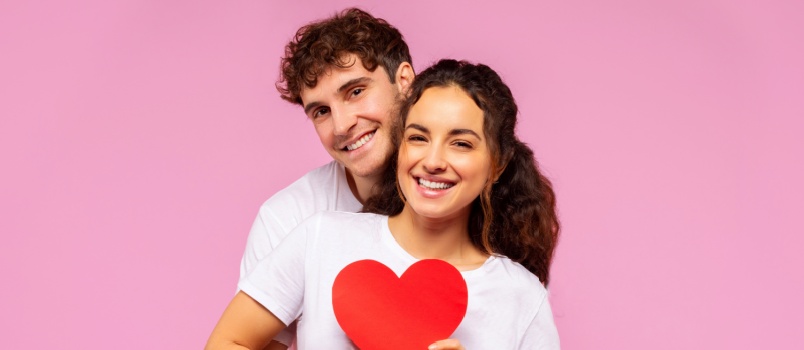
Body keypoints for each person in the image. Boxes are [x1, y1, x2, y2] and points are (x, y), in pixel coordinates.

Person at [206, 59, 561, 349]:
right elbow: (228, 341)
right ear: (400, 145)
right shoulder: (322, 238)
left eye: (461, 144)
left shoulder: (522, 298)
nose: (433, 160)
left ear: (496, 164)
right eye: (418, 137)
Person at [237, 8, 414, 349]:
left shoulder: (457, 191)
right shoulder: (288, 218)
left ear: (404, 81)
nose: (342, 125)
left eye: (356, 92)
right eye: (321, 111)